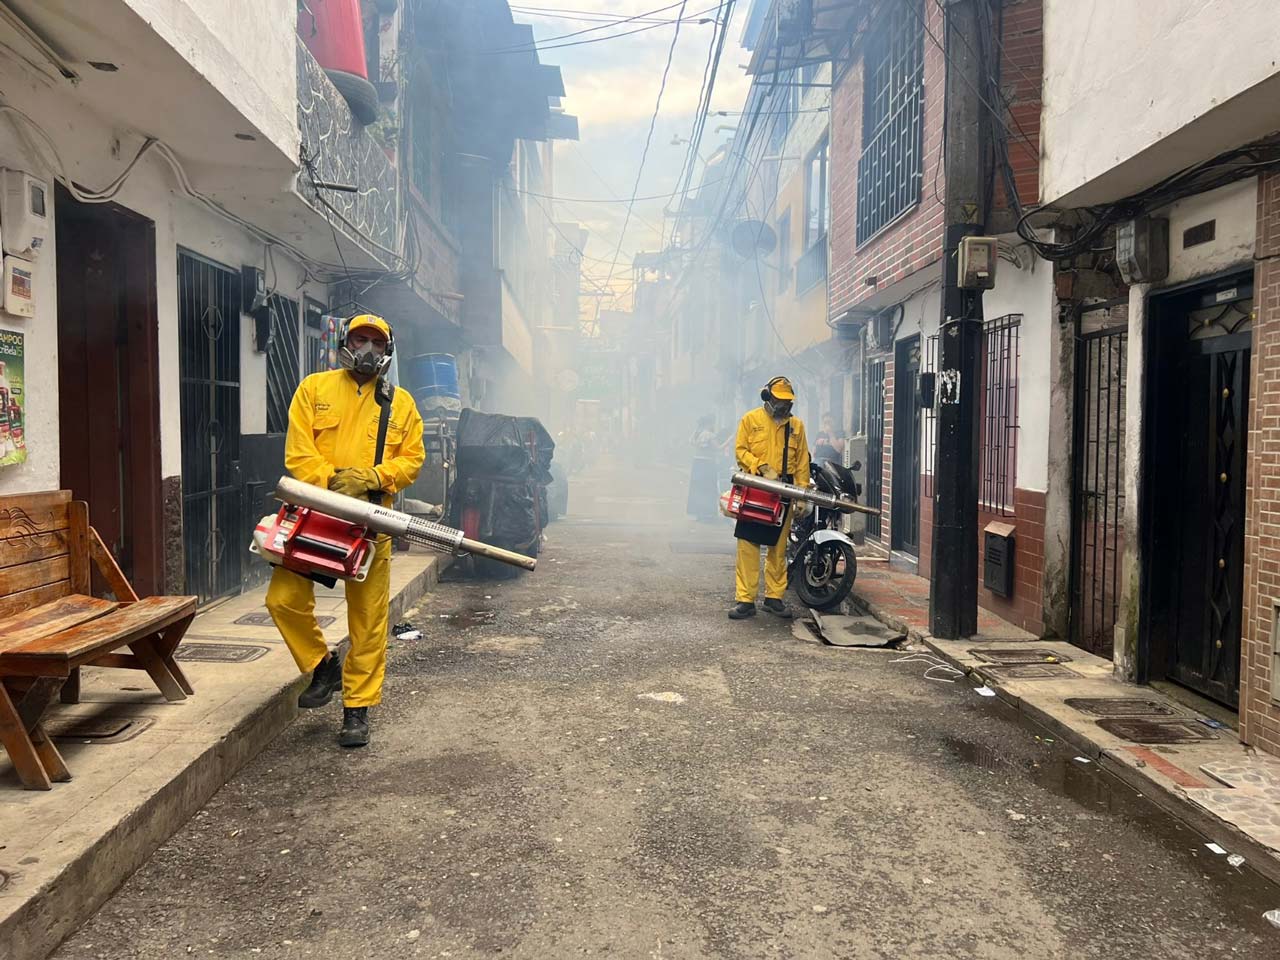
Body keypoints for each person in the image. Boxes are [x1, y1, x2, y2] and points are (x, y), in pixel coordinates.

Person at [266, 315, 425, 747]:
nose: (369, 348)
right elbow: (299, 453)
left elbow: (411, 460)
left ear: (388, 349)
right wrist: (336, 483)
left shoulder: (402, 403)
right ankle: (322, 665)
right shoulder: (314, 389)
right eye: (361, 339)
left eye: (377, 341)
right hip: (313, 515)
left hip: (372, 525)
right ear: (345, 341)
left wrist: (373, 477)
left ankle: (357, 710)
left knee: (369, 621)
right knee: (282, 600)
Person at [729, 376, 810, 621]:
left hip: (784, 491)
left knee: (778, 547)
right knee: (748, 546)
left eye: (788, 402)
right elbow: (740, 450)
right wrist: (759, 466)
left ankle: (774, 598)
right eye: (779, 400)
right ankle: (745, 600)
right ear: (767, 397)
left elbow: (803, 463)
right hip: (756, 487)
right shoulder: (750, 420)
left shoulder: (797, 427)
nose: (784, 406)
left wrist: (802, 494)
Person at [687, 415, 719, 522]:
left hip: (697, 464)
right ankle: (707, 513)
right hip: (708, 464)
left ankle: (698, 512)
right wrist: (730, 440)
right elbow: (717, 448)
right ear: (709, 424)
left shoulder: (696, 434)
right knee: (708, 488)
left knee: (698, 488)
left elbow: (692, 443)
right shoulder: (710, 435)